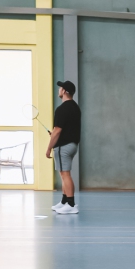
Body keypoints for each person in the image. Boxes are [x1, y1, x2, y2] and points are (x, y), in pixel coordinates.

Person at [48, 80, 81, 215]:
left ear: (64, 91)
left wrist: (49, 148)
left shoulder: (62, 109)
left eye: (60, 88)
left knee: (65, 174)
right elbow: (67, 128)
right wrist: (55, 134)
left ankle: (71, 204)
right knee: (63, 174)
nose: (59, 90)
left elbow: (57, 131)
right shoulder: (75, 107)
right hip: (72, 145)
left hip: (64, 146)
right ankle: (64, 201)